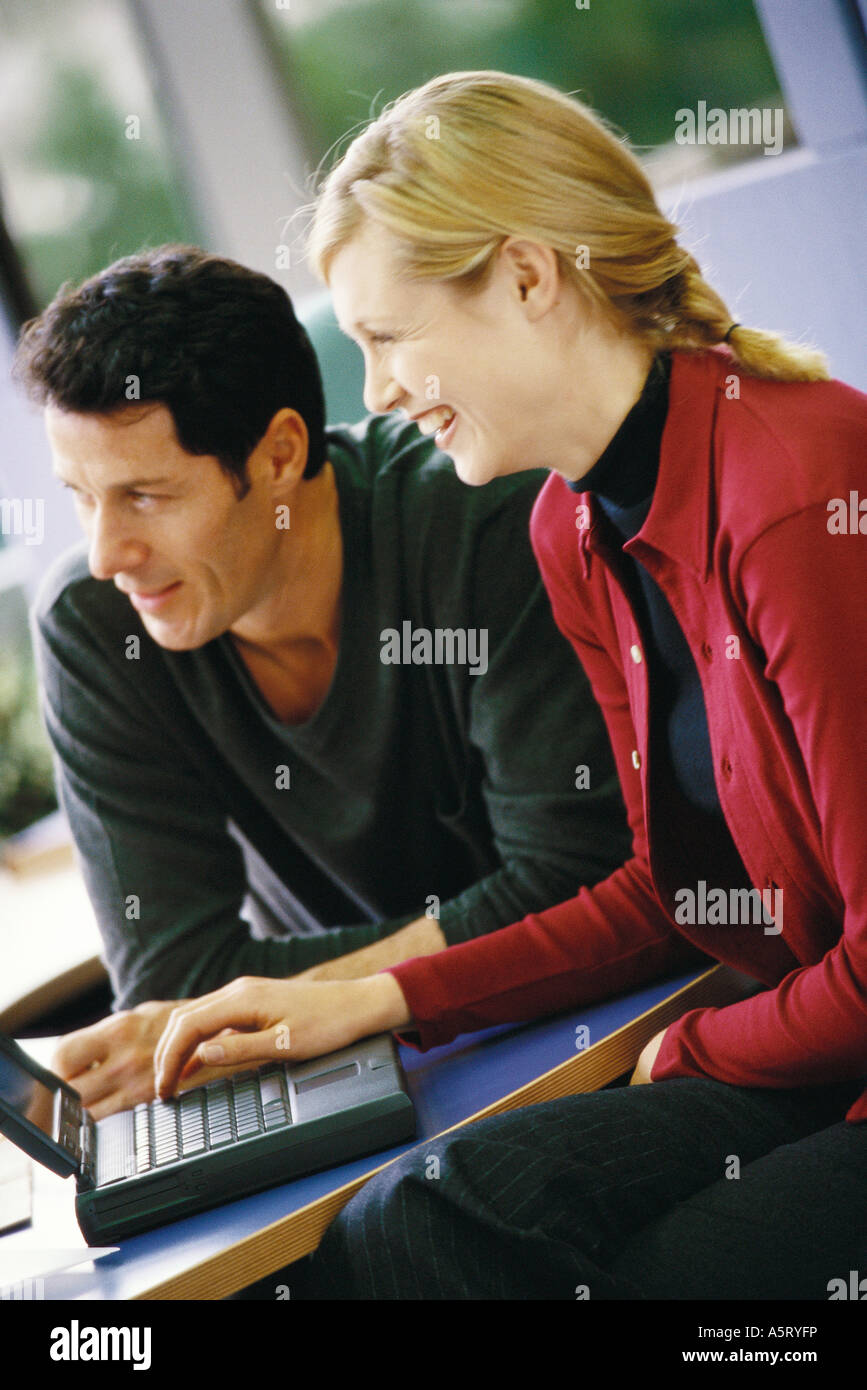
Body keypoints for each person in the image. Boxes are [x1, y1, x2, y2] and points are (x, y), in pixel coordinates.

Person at [153, 70, 867, 1300]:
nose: (371, 394)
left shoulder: (794, 490)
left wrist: (689, 1046)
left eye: (385, 336)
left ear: (531, 278)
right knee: (405, 1228)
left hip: (818, 1048)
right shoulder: (570, 525)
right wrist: (375, 1002)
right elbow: (668, 885)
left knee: (631, 1269)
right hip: (806, 1043)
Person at [13, 244, 635, 1119]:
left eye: (146, 497)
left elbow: (576, 878)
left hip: (591, 1026)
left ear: (277, 456)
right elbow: (175, 985)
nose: (110, 552)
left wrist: (310, 1000)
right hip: (339, 1077)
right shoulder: (95, 624)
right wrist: (307, 1005)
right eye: (82, 496)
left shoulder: (480, 524)